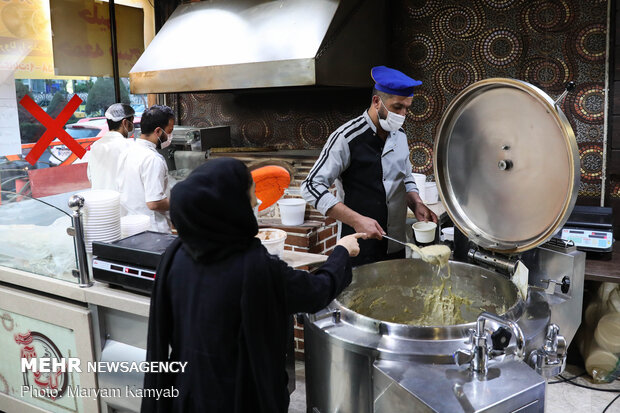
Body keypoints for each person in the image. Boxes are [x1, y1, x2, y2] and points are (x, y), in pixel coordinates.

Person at [141, 158, 365, 413]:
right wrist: (341, 252)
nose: (257, 203)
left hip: (186, 392)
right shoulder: (253, 266)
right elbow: (316, 291)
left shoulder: (176, 254)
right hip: (239, 398)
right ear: (230, 207)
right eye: (250, 198)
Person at [301, 65, 438, 266]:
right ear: (376, 102)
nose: (403, 114)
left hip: (395, 245)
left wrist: (416, 202)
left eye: (407, 108)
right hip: (357, 247)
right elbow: (311, 186)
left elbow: (406, 177)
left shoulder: (400, 137)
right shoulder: (346, 138)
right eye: (397, 107)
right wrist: (357, 220)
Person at [116, 105, 174, 233]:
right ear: (158, 131)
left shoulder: (127, 152)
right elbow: (154, 203)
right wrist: (180, 203)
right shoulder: (153, 159)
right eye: (169, 131)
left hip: (131, 228)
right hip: (153, 230)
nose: (170, 135)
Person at [87, 103, 135, 190]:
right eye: (132, 122)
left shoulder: (95, 145)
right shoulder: (129, 147)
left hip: (99, 200)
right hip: (120, 201)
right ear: (125, 122)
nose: (132, 126)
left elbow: (90, 177)